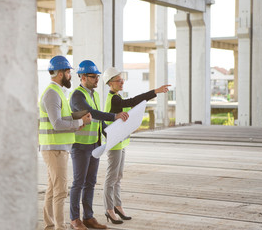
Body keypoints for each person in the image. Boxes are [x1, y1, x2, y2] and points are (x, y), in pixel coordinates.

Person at [101, 67, 170, 224]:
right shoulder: (114, 99)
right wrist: (155, 91)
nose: (122, 82)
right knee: (111, 178)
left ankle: (117, 206)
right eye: (119, 80)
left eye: (122, 79)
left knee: (118, 177)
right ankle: (109, 209)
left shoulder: (116, 97)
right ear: (111, 83)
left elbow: (130, 105)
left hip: (120, 142)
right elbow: (132, 101)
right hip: (114, 145)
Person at [69, 60, 129, 230]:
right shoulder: (77, 95)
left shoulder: (94, 94)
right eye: (93, 76)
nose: (96, 79)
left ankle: (88, 217)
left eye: (97, 76)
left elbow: (97, 120)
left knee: (91, 182)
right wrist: (114, 116)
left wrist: (108, 136)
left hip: (94, 145)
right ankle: (75, 219)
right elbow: (92, 113)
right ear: (82, 77)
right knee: (78, 183)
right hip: (80, 146)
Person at [39, 55, 92, 230]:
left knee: (53, 189)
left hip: (57, 148)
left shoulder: (58, 92)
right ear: (61, 73)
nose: (70, 76)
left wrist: (79, 118)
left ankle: (49, 226)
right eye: (69, 72)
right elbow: (57, 123)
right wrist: (78, 123)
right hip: (54, 149)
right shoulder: (52, 94)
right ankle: (59, 227)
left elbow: (63, 118)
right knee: (60, 191)